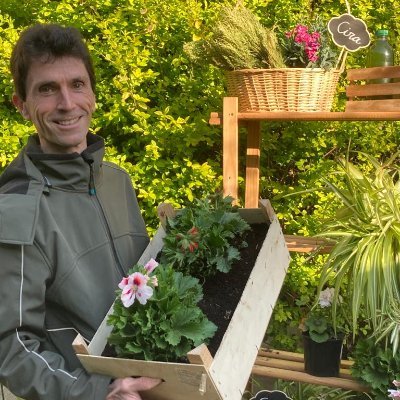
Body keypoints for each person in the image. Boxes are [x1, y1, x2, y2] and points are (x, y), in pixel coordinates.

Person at [0, 23, 161, 399]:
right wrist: (96, 392)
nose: (67, 104)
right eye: (46, 89)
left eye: (77, 84)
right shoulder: (18, 210)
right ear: (21, 105)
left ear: (92, 92)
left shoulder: (117, 182)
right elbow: (10, 346)